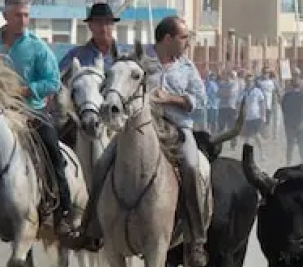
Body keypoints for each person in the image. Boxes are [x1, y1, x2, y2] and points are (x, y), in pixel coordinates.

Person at [73, 16, 211, 253]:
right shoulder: (137, 60)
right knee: (102, 163)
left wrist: (170, 98)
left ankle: (196, 236)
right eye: (184, 37)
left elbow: (200, 100)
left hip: (177, 129)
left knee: (190, 165)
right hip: (137, 129)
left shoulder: (187, 67)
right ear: (168, 38)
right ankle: (91, 227)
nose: (187, 42)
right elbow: (114, 82)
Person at [0, 0, 74, 235]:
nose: (23, 20)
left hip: (31, 113)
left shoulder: (38, 48)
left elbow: (52, 81)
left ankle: (63, 211)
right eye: (18, 15)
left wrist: (25, 89)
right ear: (5, 16)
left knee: (53, 152)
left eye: (26, 15)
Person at [60, 1, 122, 76]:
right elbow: (58, 80)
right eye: (98, 22)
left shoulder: (123, 57)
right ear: (90, 26)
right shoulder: (76, 56)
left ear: (113, 25)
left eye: (107, 22)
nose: (103, 27)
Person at [280, 77, 303, 165]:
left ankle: (288, 162)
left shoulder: (286, 96)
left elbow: (283, 108)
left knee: (290, 144)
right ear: (299, 87)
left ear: (291, 86)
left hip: (289, 123)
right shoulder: (302, 95)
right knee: (301, 144)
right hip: (300, 122)